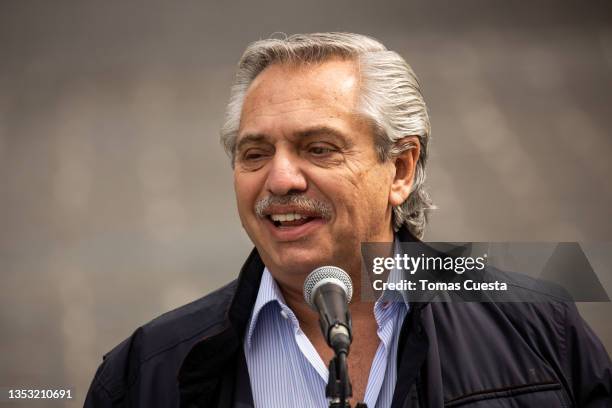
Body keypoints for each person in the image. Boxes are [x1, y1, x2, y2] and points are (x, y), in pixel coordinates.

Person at [85, 32, 611, 408]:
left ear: (400, 168)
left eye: (318, 148)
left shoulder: (539, 325)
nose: (281, 179)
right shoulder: (146, 368)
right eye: (254, 154)